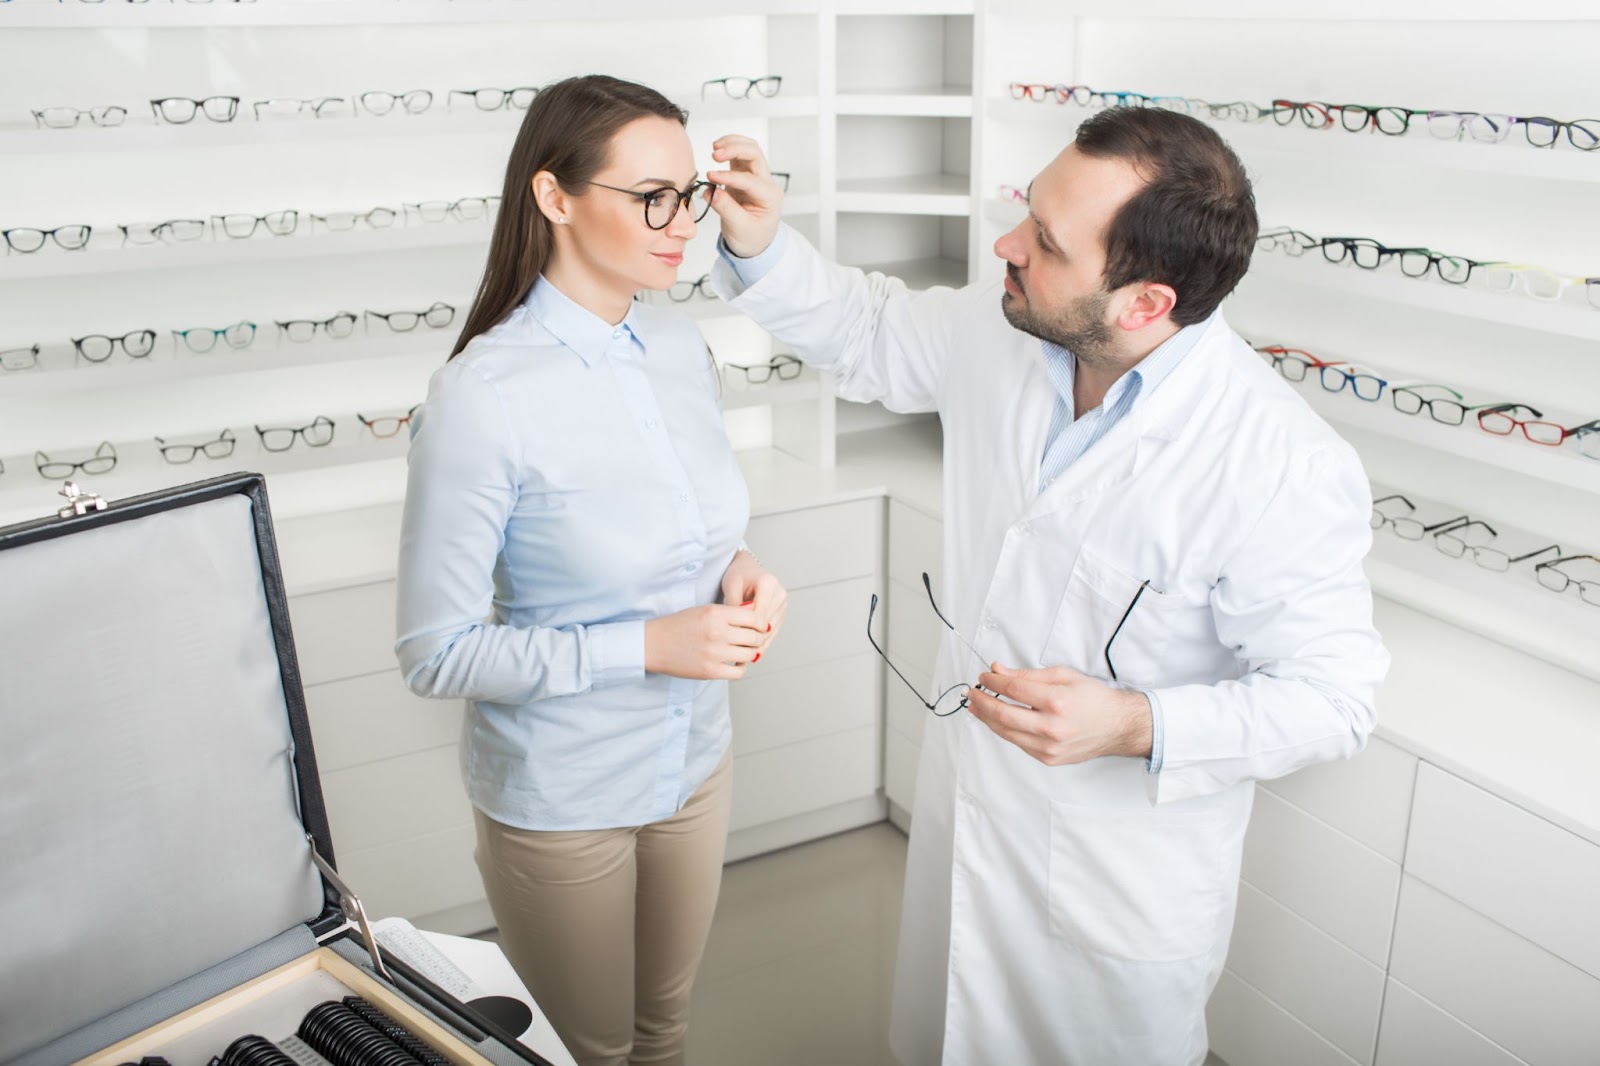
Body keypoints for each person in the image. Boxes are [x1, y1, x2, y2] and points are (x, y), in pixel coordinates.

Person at [702, 107, 1390, 1065]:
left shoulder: (1276, 462)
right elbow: (872, 329)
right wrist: (762, 243)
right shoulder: (1012, 331)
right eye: (1028, 211)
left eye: (1045, 242)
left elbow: (1333, 701)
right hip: (972, 822)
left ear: (1145, 303)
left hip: (1115, 887)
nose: (1006, 245)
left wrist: (1134, 724)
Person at [395, 75, 786, 1066]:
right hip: (564, 796)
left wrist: (739, 569)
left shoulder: (674, 341)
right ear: (554, 197)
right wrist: (650, 645)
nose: (681, 224)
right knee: (589, 1051)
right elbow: (435, 653)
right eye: (648, 197)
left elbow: (689, 529)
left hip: (695, 760)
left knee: (663, 1033)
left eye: (687, 194)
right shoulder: (483, 395)